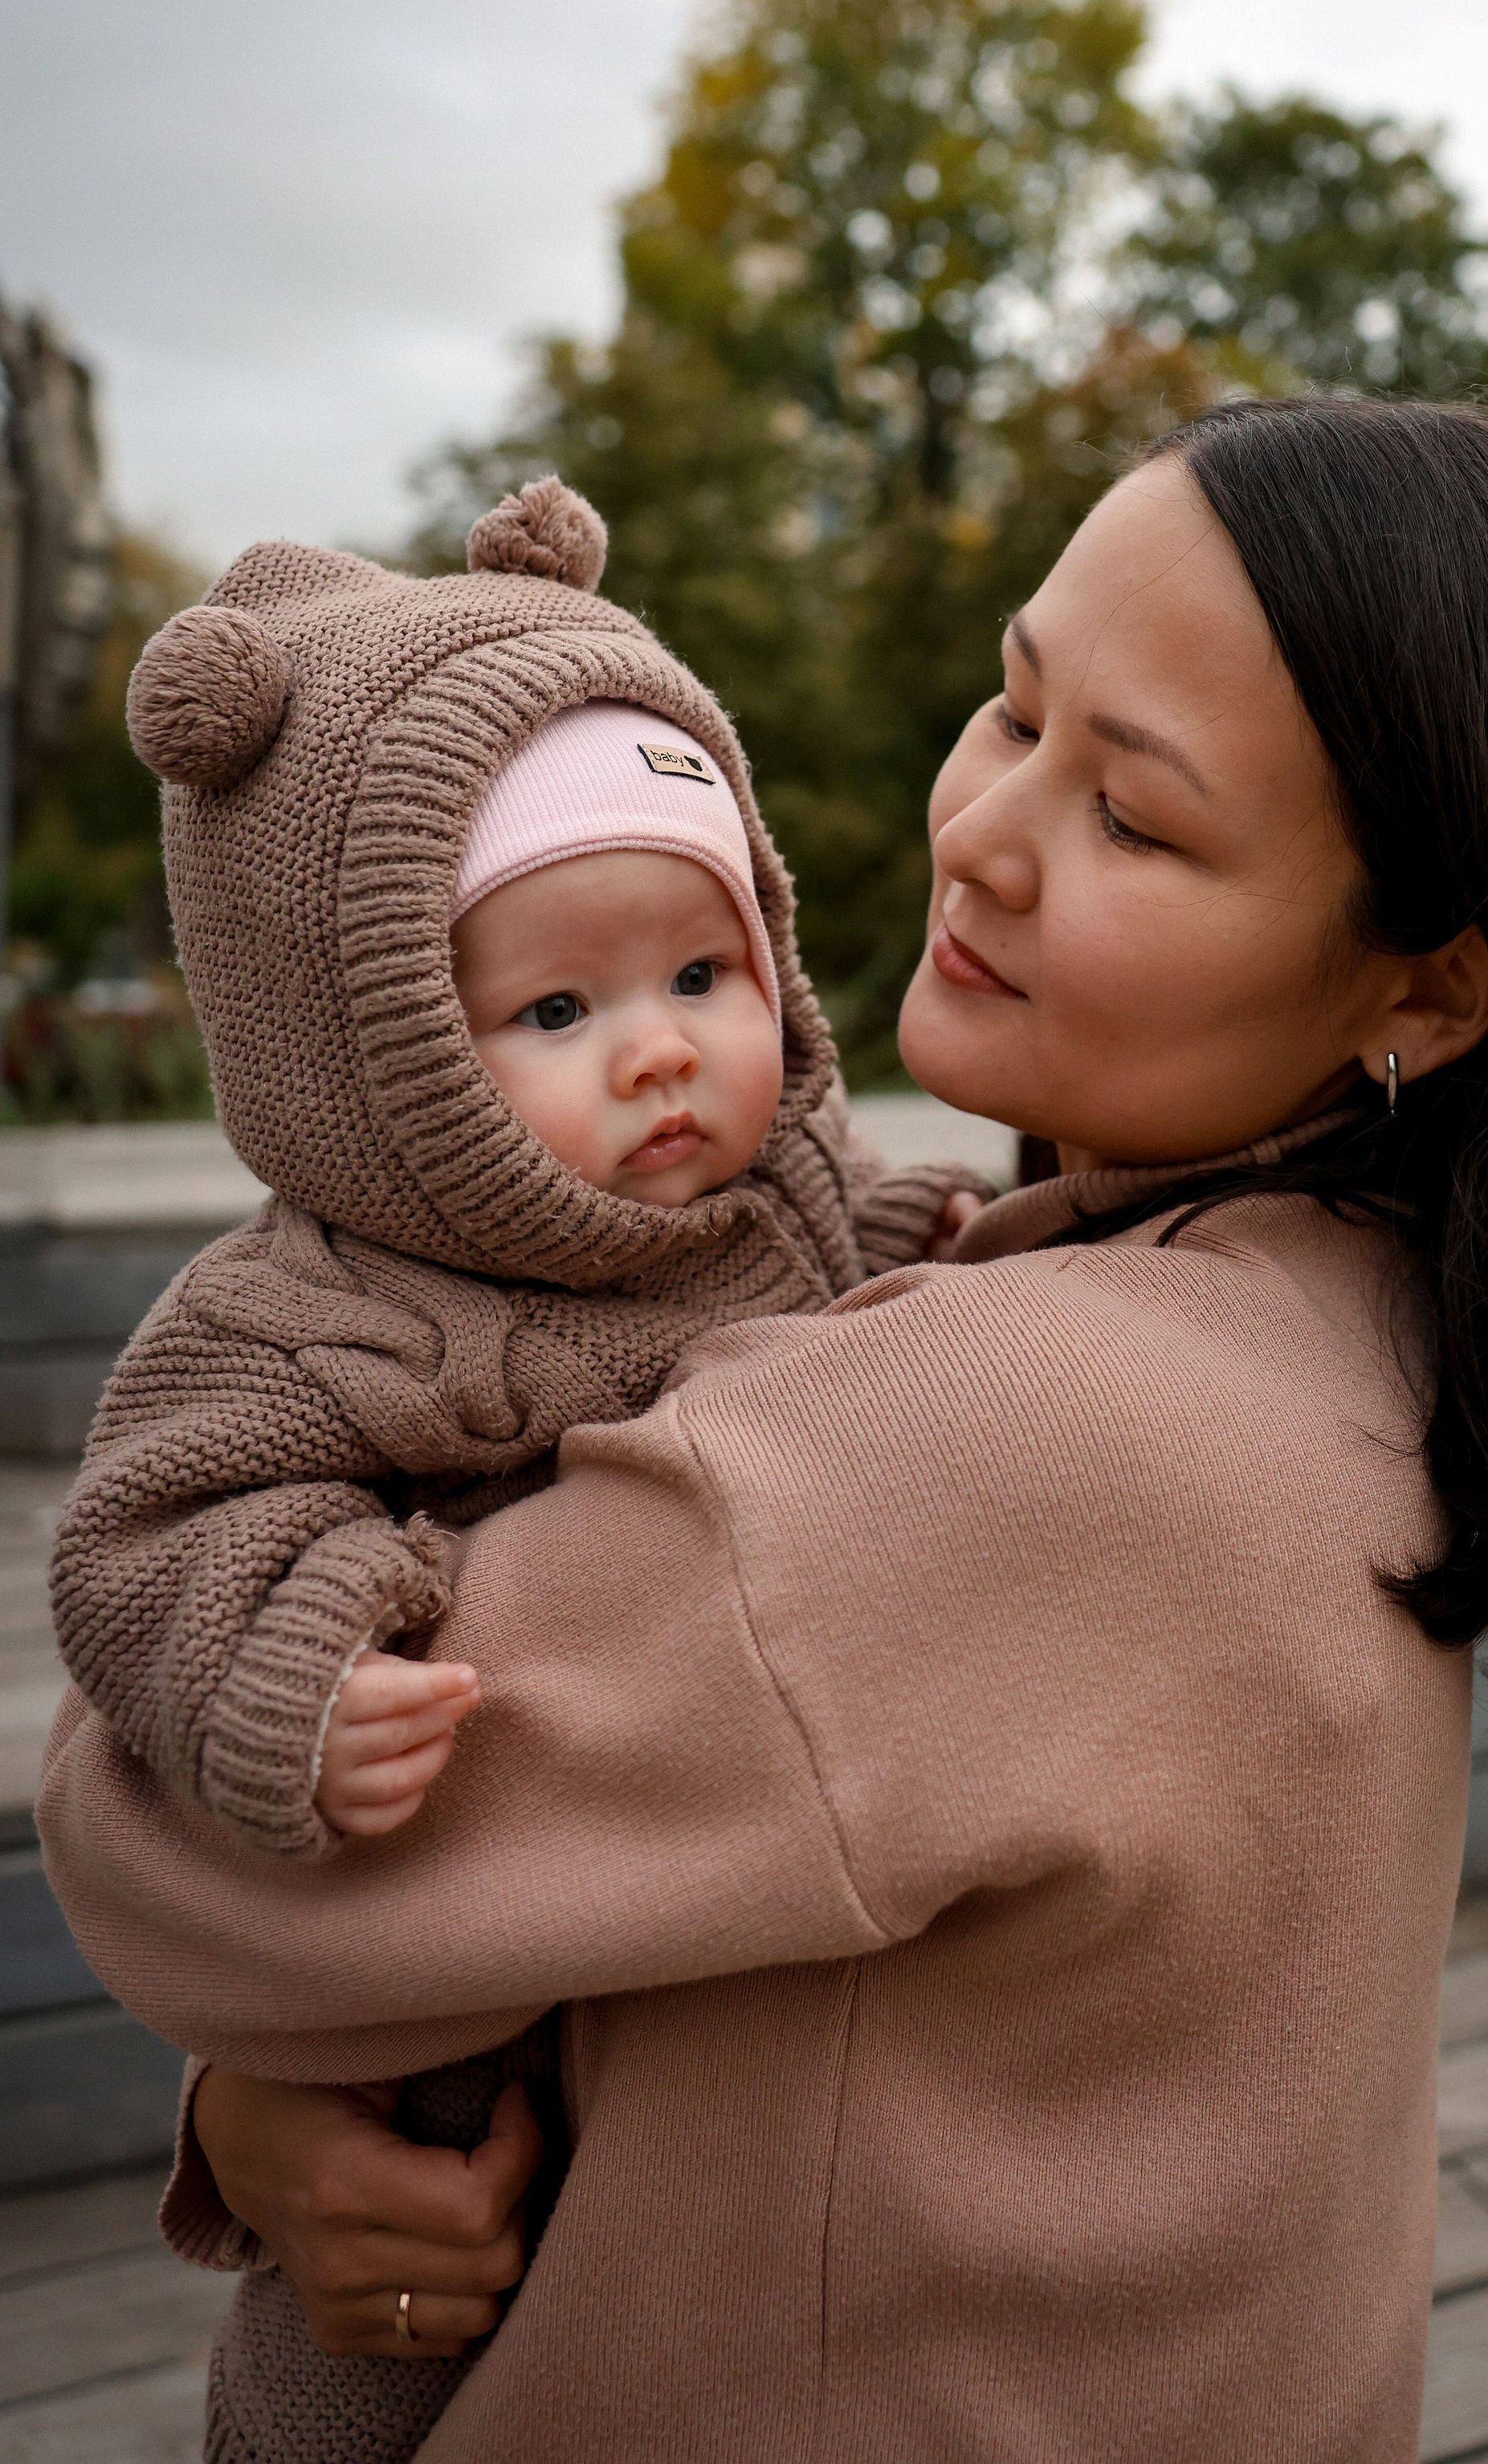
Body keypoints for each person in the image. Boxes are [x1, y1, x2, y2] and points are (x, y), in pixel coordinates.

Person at [39, 398, 1488, 2464]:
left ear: (1426, 993)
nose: (980, 828)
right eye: (1011, 704)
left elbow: (206, 1878)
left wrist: (254, 2088)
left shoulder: (1006, 1436)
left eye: (1131, 817)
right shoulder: (1355, 1312)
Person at [44, 474, 979, 2462]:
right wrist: (294, 1666)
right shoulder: (323, 1311)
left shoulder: (786, 1175)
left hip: (736, 2027)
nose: (659, 1053)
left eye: (699, 977)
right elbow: (148, 1528)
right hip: (448, 2042)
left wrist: (916, 1252)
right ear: (360, 1054)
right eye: (554, 1009)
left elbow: (829, 1260)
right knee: (386, 2345)